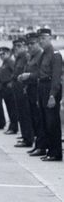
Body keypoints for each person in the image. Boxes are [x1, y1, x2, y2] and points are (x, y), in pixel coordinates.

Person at [34, 28, 62, 161]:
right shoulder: (42, 55)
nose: (41, 41)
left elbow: (56, 77)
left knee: (52, 122)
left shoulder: (55, 54)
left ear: (50, 38)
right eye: (39, 39)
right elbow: (40, 74)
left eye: (43, 38)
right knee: (45, 121)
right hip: (42, 87)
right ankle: (50, 150)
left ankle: (55, 152)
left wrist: (52, 95)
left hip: (50, 88)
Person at [18, 33, 47, 157]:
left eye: (32, 43)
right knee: (34, 119)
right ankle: (37, 144)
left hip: (37, 90)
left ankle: (41, 146)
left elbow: (42, 74)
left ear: (38, 43)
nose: (29, 46)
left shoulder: (41, 55)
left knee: (39, 120)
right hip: (30, 90)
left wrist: (28, 76)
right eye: (28, 44)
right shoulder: (32, 57)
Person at [11, 38, 33, 149]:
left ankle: (28, 138)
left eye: (19, 45)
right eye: (16, 46)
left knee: (25, 115)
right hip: (17, 89)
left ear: (24, 46)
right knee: (21, 114)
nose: (17, 48)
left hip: (22, 89)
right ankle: (25, 136)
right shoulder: (18, 58)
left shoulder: (25, 57)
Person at [0, 46, 18, 135]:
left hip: (9, 88)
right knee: (9, 108)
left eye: (3, 54)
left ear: (8, 53)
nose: (1, 56)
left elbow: (15, 72)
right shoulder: (4, 63)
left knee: (12, 108)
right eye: (0, 54)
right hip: (4, 87)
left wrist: (11, 82)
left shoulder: (10, 61)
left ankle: (14, 127)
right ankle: (12, 126)